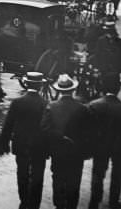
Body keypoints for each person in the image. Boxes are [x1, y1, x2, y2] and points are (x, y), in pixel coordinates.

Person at [87, 72, 121, 209]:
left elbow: (87, 127)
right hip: (119, 146)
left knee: (98, 172)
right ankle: (113, 202)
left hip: (100, 145)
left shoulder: (94, 105)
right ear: (118, 89)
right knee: (117, 175)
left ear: (103, 88)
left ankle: (94, 201)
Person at [41, 73, 93, 209]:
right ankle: (71, 205)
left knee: (57, 178)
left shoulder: (51, 107)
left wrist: (59, 137)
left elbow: (44, 129)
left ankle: (59, 204)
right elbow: (88, 132)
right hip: (76, 152)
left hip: (58, 151)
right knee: (74, 180)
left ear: (58, 90)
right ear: (72, 90)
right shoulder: (82, 108)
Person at [1, 71, 49, 209]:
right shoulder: (45, 104)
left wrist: (4, 143)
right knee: (37, 175)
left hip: (21, 144)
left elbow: (8, 124)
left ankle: (24, 201)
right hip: (39, 146)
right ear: (40, 85)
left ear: (26, 83)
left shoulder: (17, 102)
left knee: (22, 173)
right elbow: (48, 128)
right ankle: (34, 204)